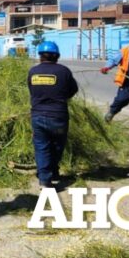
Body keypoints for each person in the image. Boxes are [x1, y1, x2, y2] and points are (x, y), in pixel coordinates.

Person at [27, 41, 78, 188]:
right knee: (57, 145)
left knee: (42, 147)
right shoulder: (64, 71)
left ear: (40, 56)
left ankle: (44, 178)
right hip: (59, 116)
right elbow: (73, 90)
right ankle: (54, 172)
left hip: (38, 115)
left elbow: (31, 90)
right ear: (57, 56)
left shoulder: (33, 72)